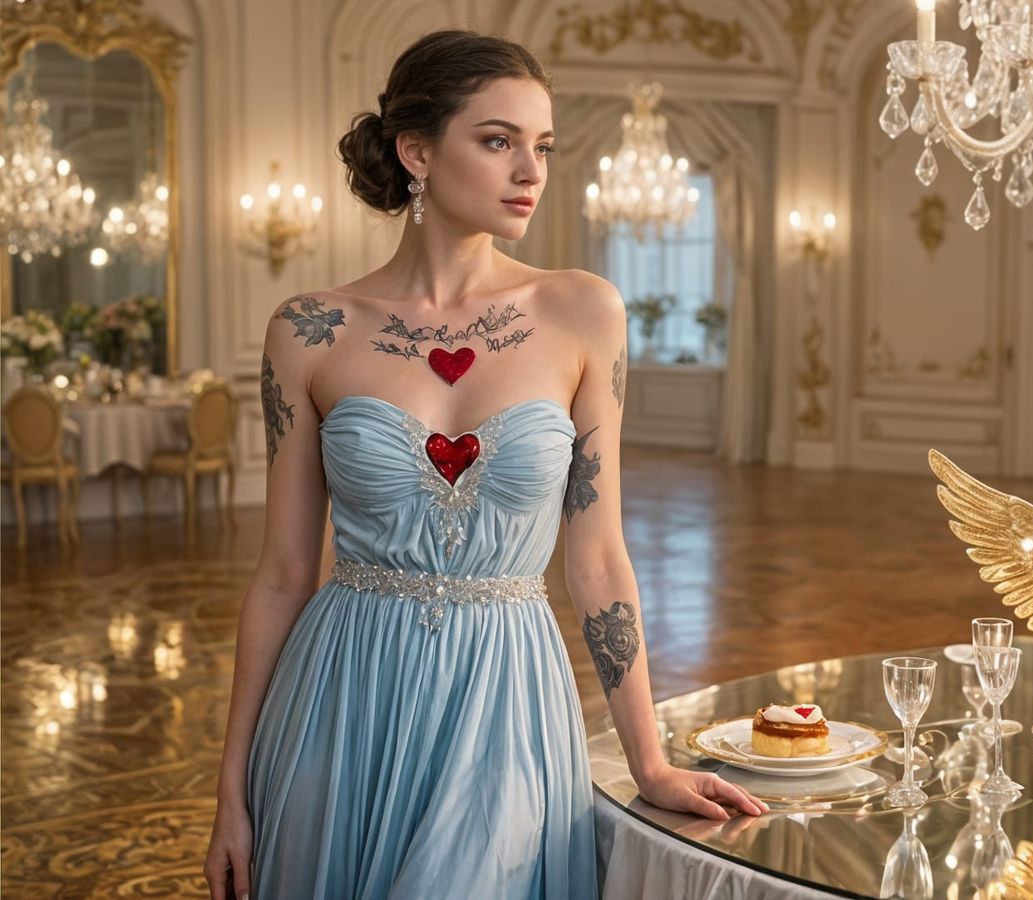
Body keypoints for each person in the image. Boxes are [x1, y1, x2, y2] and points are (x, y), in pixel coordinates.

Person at [202, 30, 765, 900]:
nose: (530, 171)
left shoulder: (582, 311)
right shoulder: (310, 329)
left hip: (505, 692)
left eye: (541, 146)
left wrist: (649, 761)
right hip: (341, 700)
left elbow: (599, 556)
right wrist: (230, 791)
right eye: (498, 141)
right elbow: (281, 574)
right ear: (416, 150)